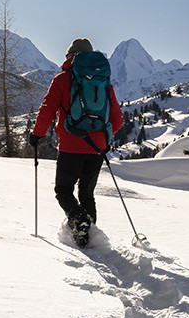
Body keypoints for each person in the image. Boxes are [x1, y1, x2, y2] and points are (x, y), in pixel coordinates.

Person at [28, 38, 123, 234]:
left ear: (70, 57)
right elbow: (118, 120)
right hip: (96, 149)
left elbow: (47, 110)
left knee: (63, 191)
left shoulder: (62, 79)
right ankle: (90, 237)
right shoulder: (104, 82)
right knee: (87, 194)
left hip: (70, 146)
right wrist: (102, 138)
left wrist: (37, 135)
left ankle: (80, 222)